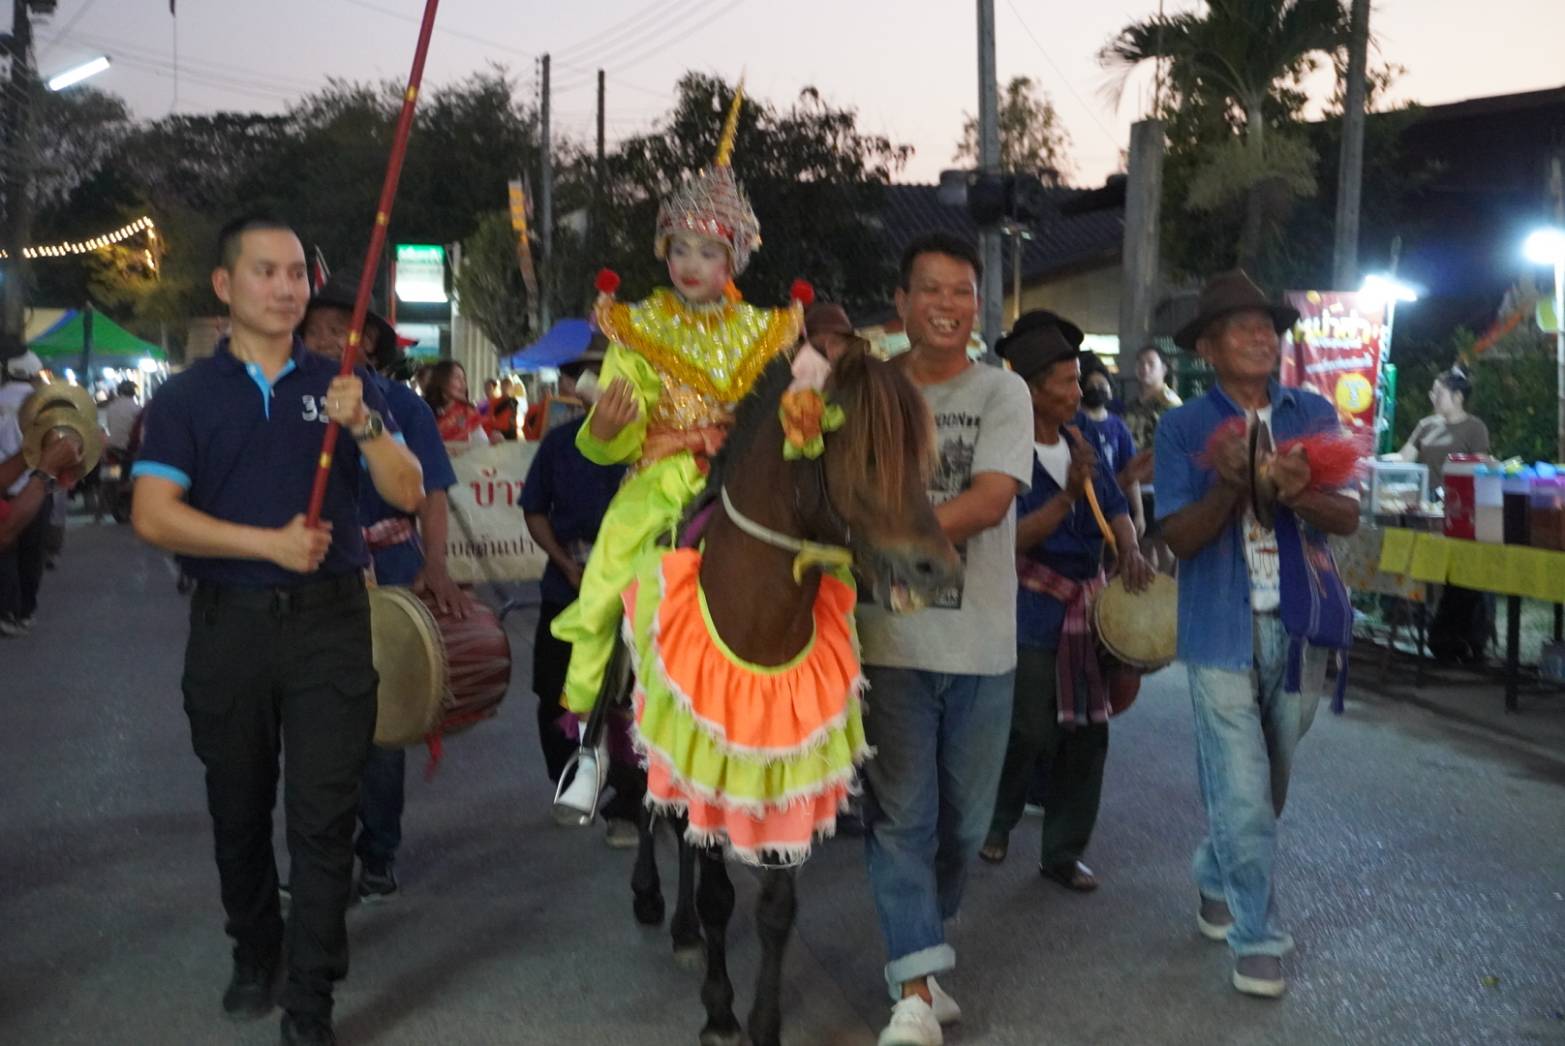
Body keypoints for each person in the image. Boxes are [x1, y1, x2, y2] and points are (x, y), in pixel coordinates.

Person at [130, 214, 423, 1046]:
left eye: (297, 273)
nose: (287, 288)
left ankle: (310, 997)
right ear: (225, 286)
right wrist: (269, 544)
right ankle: (255, 948)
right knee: (238, 807)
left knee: (324, 818)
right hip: (231, 626)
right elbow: (154, 514)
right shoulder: (187, 398)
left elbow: (407, 491)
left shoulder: (343, 385)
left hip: (331, 626)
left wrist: (364, 426)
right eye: (266, 272)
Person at [547, 88, 805, 823]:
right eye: (680, 248)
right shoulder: (637, 325)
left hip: (743, 475)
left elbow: (783, 408)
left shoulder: (766, 329)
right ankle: (591, 747)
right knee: (608, 575)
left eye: (709, 251)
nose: (692, 263)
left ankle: (800, 726)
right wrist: (610, 426)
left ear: (735, 258)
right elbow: (616, 426)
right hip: (660, 476)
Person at [1155, 270, 1358, 1000]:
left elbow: (1347, 516)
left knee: (1267, 782)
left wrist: (1294, 488)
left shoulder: (1311, 411)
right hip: (1217, 629)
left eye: (1267, 325)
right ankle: (1256, 935)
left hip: (1301, 628)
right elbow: (1178, 538)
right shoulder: (1182, 429)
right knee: (1241, 790)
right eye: (1240, 327)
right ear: (1207, 348)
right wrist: (1232, 483)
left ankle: (1215, 871)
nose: (1260, 335)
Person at [853, 232, 1032, 1046]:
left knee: (963, 826)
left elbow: (990, 500)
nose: (947, 305)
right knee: (902, 820)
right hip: (886, 645)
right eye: (930, 289)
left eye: (961, 291)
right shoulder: (867, 391)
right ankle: (915, 994)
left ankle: (919, 941)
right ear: (901, 302)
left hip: (981, 647)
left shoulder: (1001, 390)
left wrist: (891, 536)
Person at [299, 271, 465, 902]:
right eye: (312, 331)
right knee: (315, 723)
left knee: (382, 719)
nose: (323, 342)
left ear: (367, 340)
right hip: (317, 572)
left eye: (337, 330)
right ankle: (322, 856)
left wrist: (436, 565)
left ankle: (379, 850)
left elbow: (432, 492)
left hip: (390, 570)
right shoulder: (289, 400)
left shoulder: (404, 406)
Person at [979, 315, 1151, 891]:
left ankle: (1063, 852)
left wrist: (1129, 548)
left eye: (1078, 379)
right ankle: (996, 820)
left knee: (1087, 733)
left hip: (1086, 605)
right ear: (1030, 390)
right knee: (1028, 728)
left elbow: (1114, 505)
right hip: (1030, 605)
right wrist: (1067, 498)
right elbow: (1009, 536)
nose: (1080, 391)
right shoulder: (1003, 447)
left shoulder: (1081, 440)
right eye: (1067, 382)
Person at [519, 349, 631, 838]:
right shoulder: (559, 444)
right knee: (554, 691)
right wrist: (567, 565)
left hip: (634, 587)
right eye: (581, 375)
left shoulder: (649, 444)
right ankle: (570, 776)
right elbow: (534, 510)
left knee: (630, 697)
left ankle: (628, 804)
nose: (592, 382)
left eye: (605, 372)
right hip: (568, 582)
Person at [1075, 352, 1149, 535]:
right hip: (1083, 508)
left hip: (1116, 509)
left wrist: (1139, 512)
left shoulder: (1118, 426)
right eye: (1091, 386)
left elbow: (1130, 472)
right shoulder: (1074, 425)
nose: (1097, 389)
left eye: (1102, 385)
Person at [0, 351, 47, 634]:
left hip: (4, 488)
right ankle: (25, 611)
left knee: (6, 551)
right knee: (31, 553)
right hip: (33, 487)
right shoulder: (43, 403)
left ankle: (6, 611)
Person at [1394, 365, 1489, 487]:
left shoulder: (1475, 428)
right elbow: (1404, 458)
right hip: (1426, 496)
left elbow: (1480, 468)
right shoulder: (1426, 425)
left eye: (1439, 394)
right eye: (1432, 394)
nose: (1434, 398)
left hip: (1457, 496)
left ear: (1458, 397)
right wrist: (1377, 461)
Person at [424, 360, 495, 445]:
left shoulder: (467, 412)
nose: (463, 384)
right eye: (457, 378)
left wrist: (494, 441)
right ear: (441, 380)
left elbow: (482, 443)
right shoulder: (424, 412)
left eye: (464, 379)